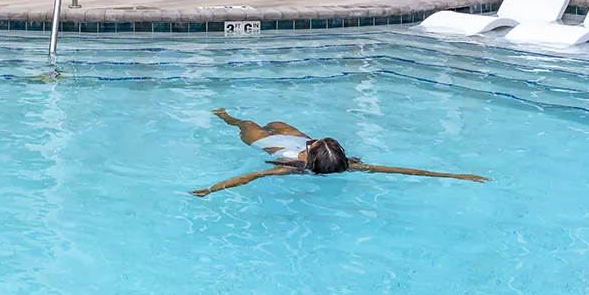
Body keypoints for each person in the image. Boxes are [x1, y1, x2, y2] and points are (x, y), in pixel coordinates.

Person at [189, 109, 489, 197]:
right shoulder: (349, 166)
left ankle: (225, 116)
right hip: (294, 139)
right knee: (278, 121)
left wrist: (211, 189)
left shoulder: (291, 168)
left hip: (271, 144)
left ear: (310, 158)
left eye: (314, 145)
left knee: (248, 124)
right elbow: (406, 171)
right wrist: (455, 175)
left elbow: (252, 175)